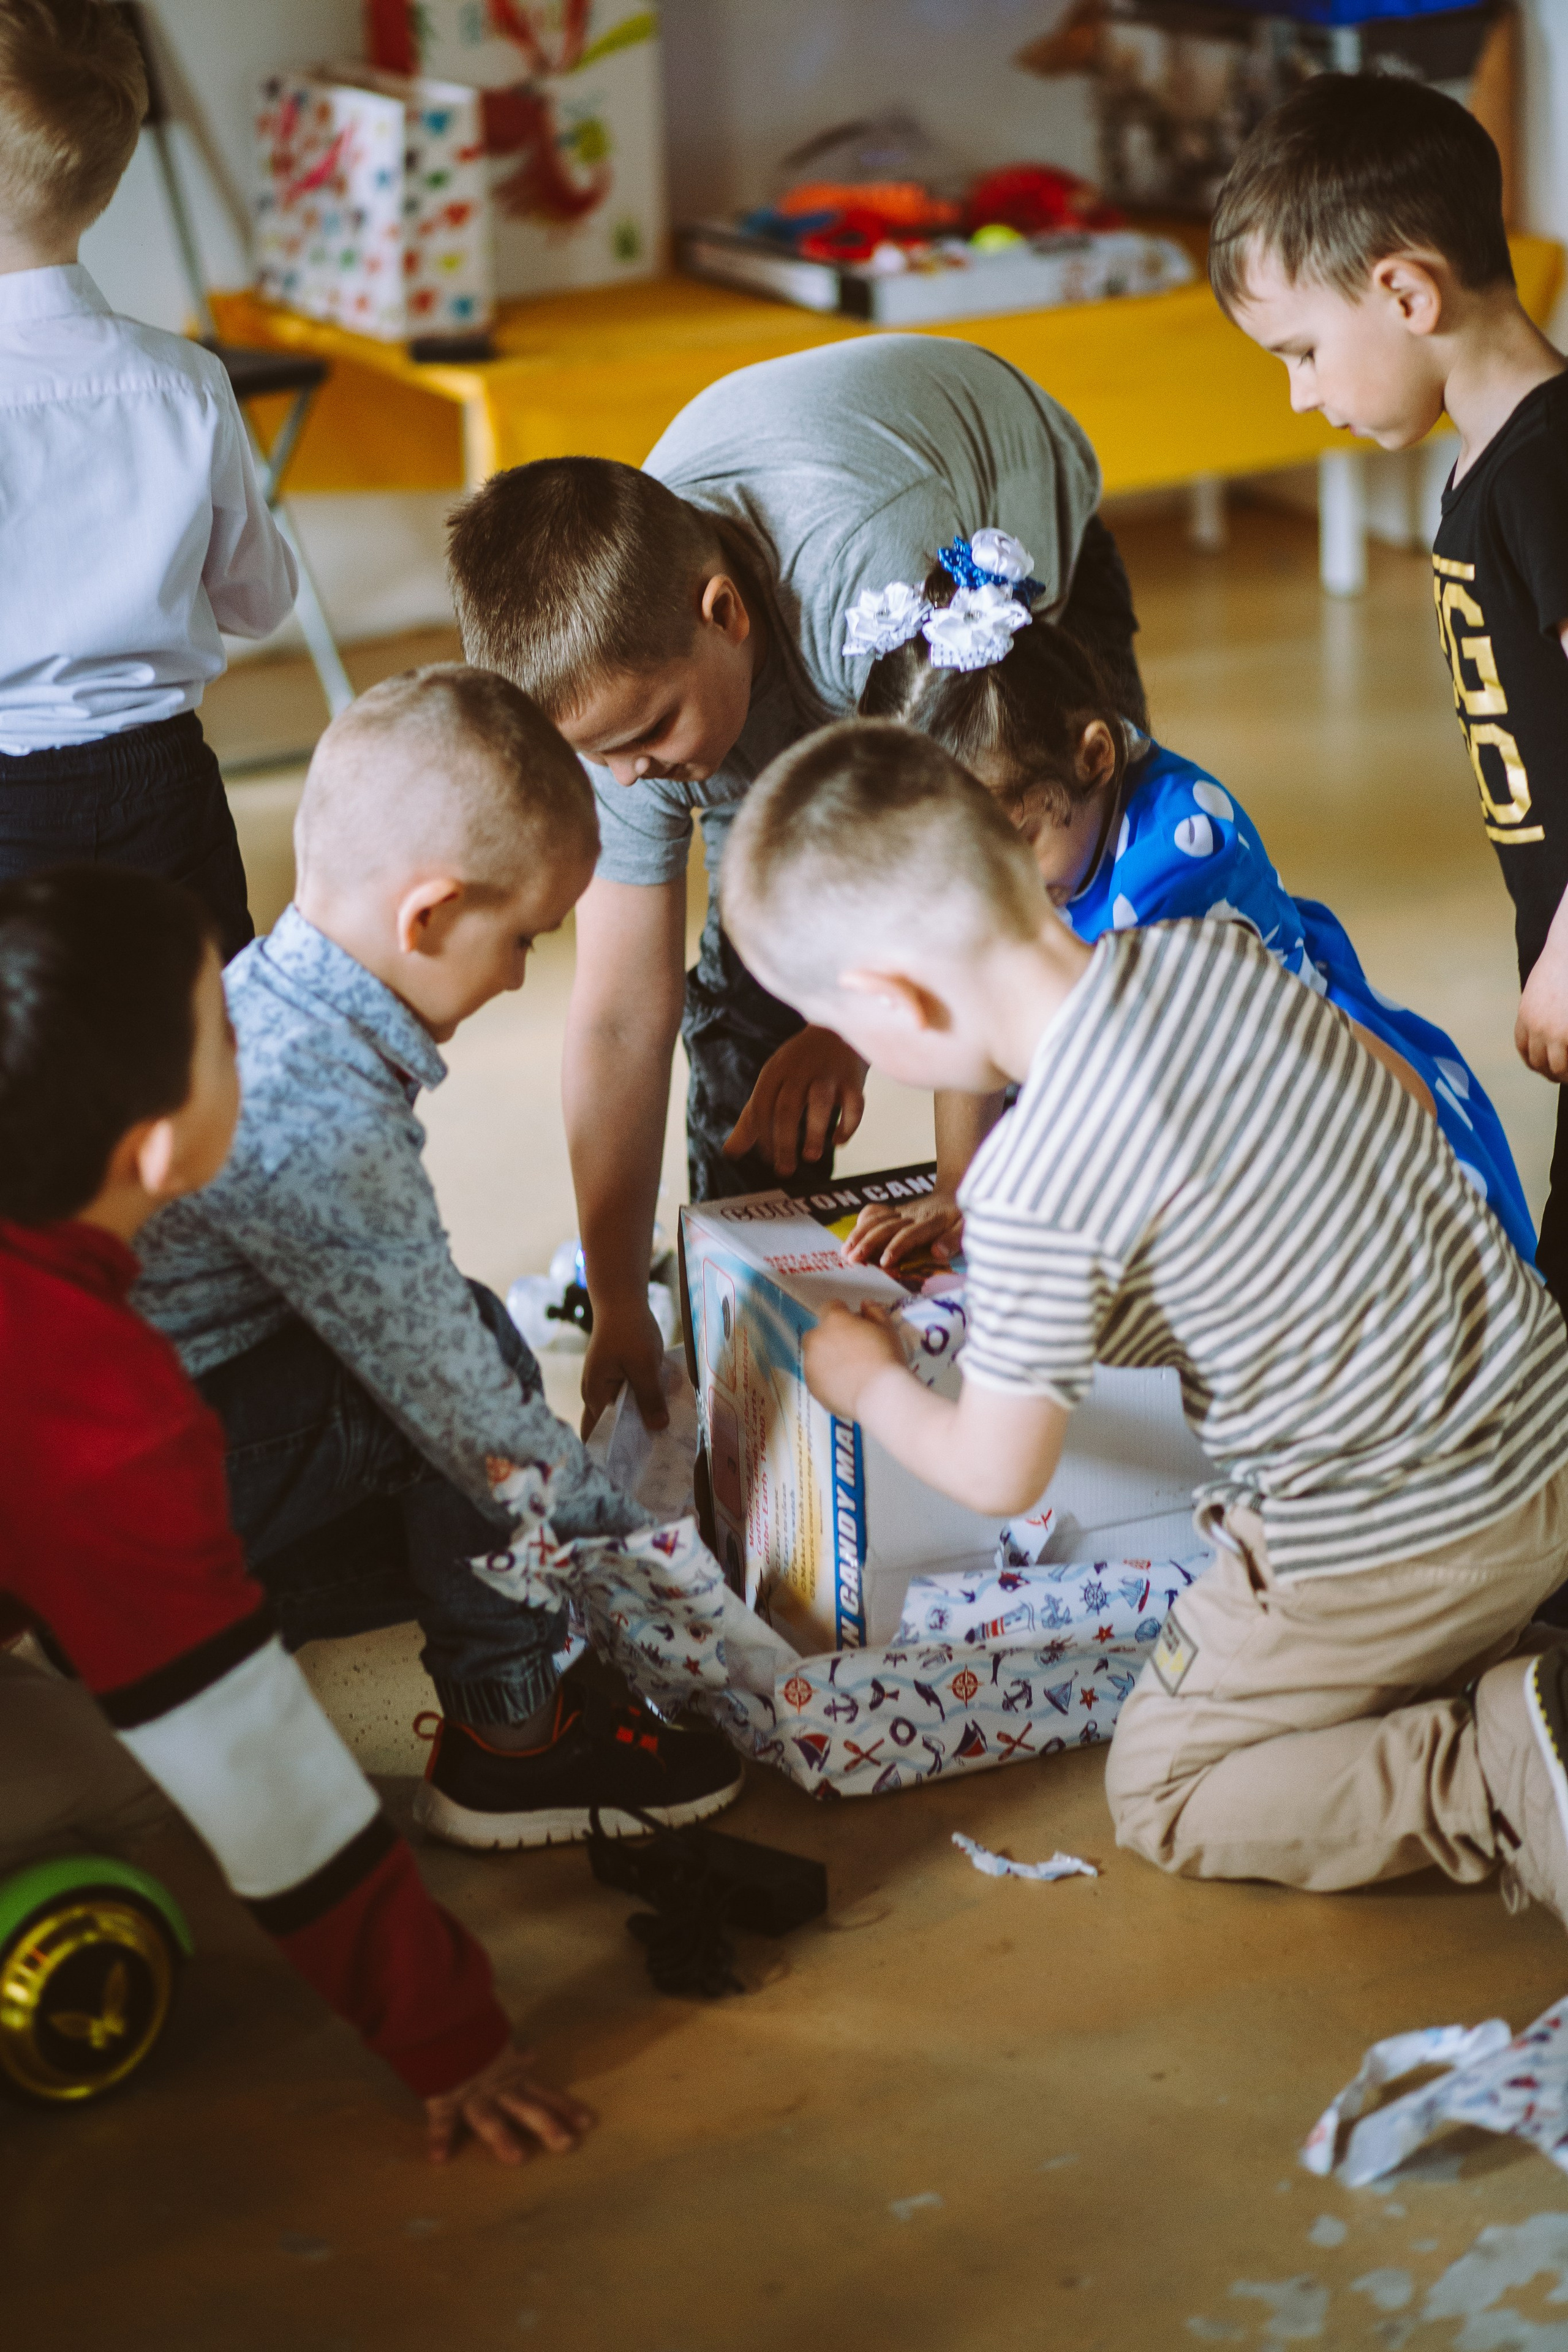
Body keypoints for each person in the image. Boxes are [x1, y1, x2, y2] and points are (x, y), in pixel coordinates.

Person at [720, 719, 1568, 1920]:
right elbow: (1387, 1100)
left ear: (890, 1000)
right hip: (1540, 1417)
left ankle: (1497, 1775)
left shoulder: (1032, 1178)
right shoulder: (1210, 953)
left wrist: (865, 1381)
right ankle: (1520, 1674)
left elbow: (998, 1471)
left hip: (1393, 1534)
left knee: (1165, 1782)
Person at [0, 864, 592, 2162]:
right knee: (138, 1785)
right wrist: (451, 2036)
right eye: (221, 1029)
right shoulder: (91, 1407)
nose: (247, 1034)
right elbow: (255, 1762)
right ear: (155, 1149)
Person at [446, 336, 1144, 1431]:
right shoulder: (625, 715)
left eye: (649, 736)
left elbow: (984, 898)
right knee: (755, 1018)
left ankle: (1069, 1335)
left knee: (1088, 902)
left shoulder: (875, 572)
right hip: (801, 652)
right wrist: (624, 1296)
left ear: (724, 612)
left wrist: (865, 1042)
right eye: (604, 757)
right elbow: (623, 1015)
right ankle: (761, 1363)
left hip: (997, 584)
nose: (633, 774)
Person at [134, 666, 742, 1850]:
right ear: (428, 918)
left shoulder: (260, 997)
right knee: (477, 1373)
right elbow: (473, 1423)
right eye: (520, 939)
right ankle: (513, 1738)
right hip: (104, 1500)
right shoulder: (323, 1115)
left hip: (117, 1437)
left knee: (447, 1377)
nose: (521, 974)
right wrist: (668, 1578)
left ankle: (257, 1612)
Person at [842, 562, 1536, 1271]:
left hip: (1266, 1116)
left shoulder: (1175, 869)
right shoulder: (1008, 871)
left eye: (1015, 847)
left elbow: (1136, 1103)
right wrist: (960, 1186)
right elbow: (981, 993)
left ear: (1094, 757)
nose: (987, 895)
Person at [1208, 74, 1568, 1311]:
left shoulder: (1545, 467)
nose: (1300, 391)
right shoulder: (1487, 463)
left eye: (1302, 351)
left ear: (1406, 293)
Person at [0, 0, 297, 962]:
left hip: (9, 797)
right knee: (202, 1032)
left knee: (29, 1067)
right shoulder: (184, 382)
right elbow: (260, 601)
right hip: (166, 786)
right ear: (110, 175)